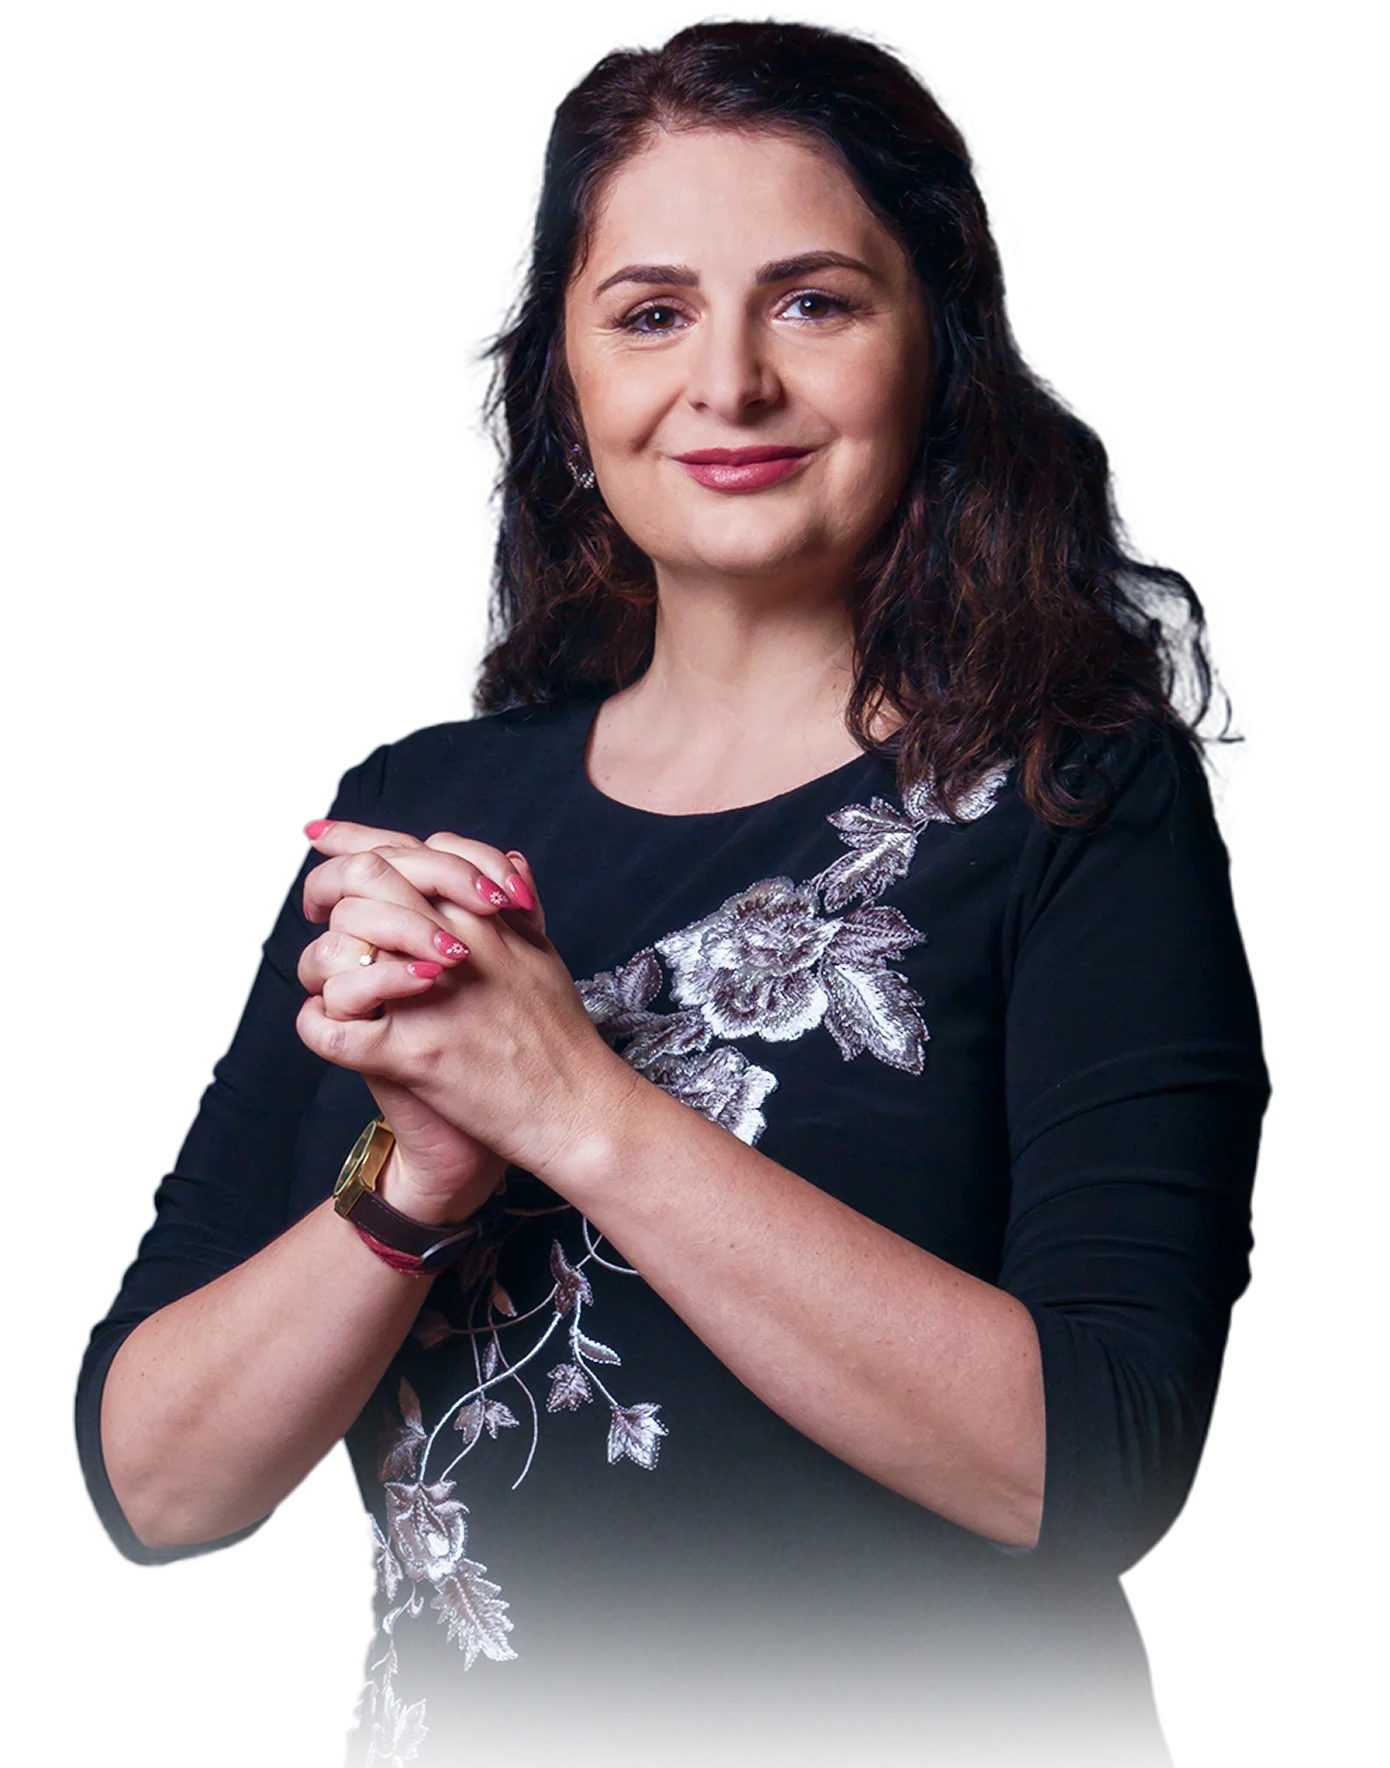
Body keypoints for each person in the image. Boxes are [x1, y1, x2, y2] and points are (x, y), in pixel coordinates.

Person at [72, 15, 1268, 1767]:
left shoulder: (1070, 799)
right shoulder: (415, 815)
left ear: (936, 347)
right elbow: (155, 1484)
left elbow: (1092, 1465)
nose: (729, 383)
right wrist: (417, 1182)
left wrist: (573, 1104)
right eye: (649, 313)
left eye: (813, 302)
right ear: (564, 389)